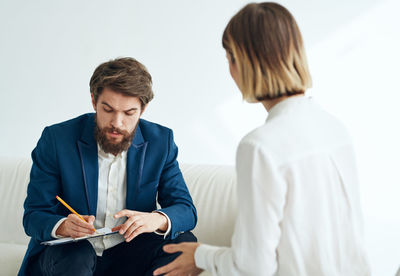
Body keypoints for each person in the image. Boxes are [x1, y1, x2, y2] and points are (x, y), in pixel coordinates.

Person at [154, 2, 370, 275]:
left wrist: (201, 255)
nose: (230, 70)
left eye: (230, 58)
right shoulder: (334, 128)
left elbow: (252, 267)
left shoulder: (260, 147)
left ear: (244, 62)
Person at [19, 57, 197, 276]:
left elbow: (186, 210)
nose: (117, 123)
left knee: (184, 243)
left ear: (143, 109)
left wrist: (157, 219)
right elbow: (34, 215)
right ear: (94, 101)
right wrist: (63, 226)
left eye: (129, 113)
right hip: (70, 255)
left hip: (129, 256)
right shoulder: (56, 139)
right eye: (108, 109)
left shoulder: (161, 142)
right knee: (79, 254)